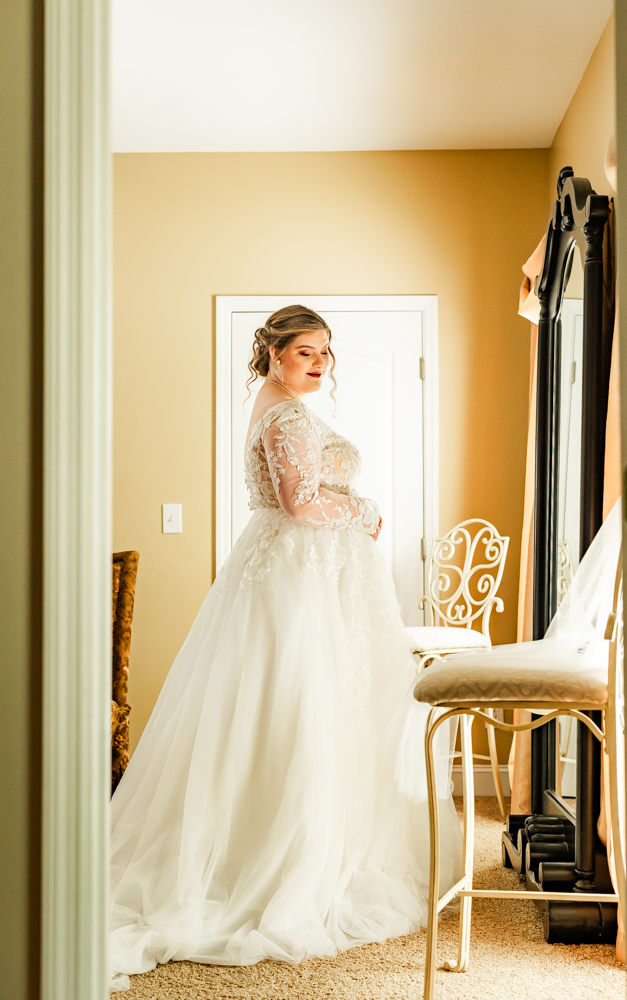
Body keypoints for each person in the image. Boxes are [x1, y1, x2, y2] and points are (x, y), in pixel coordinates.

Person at [109, 305, 462, 991]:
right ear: (271, 353)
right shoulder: (287, 416)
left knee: (292, 705)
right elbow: (302, 505)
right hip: (296, 576)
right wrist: (364, 512)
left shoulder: (274, 406)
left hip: (296, 571)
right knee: (300, 703)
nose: (320, 364)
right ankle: (283, 859)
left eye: (326, 353)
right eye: (306, 353)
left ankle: (289, 839)